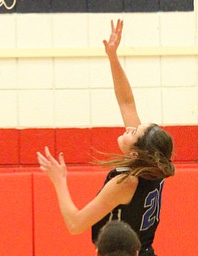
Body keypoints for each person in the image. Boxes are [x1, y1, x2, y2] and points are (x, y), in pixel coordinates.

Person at [36, 19, 175, 256]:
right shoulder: (150, 163)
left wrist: (59, 181)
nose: (131, 128)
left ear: (136, 153)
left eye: (135, 132)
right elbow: (127, 102)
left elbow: (75, 223)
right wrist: (113, 57)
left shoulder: (127, 182)